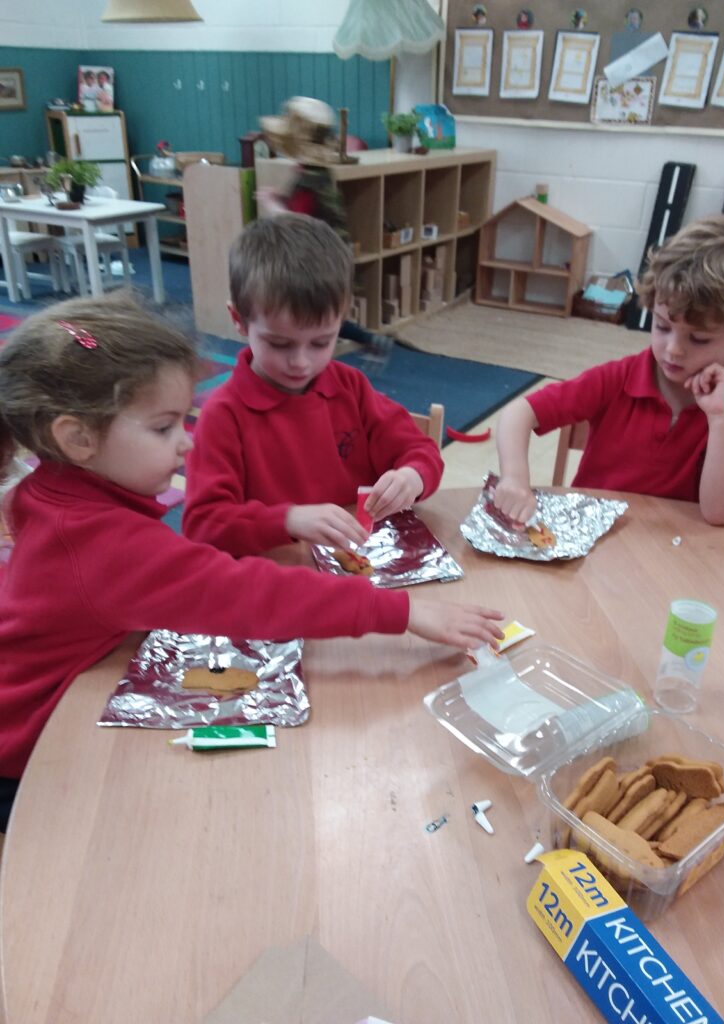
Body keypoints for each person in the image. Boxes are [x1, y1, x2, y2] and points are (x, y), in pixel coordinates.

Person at [0, 292, 503, 833]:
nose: (185, 445)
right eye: (164, 427)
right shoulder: (98, 541)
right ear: (76, 438)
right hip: (26, 749)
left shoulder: (48, 489)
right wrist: (404, 614)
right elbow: (249, 593)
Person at [182, 213, 445, 555]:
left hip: (358, 564)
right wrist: (288, 520)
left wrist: (413, 477)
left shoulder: (350, 387)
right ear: (239, 321)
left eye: (321, 342)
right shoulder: (224, 415)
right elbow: (203, 525)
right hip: (279, 579)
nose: (301, 362)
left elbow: (422, 452)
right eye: (279, 344)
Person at [493, 215, 724, 527]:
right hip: (591, 553)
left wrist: (720, 421)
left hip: (677, 559)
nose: (673, 349)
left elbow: (720, 514)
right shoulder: (617, 379)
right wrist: (514, 477)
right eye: (662, 326)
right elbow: (519, 412)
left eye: (698, 338)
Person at [256, 96, 393, 364]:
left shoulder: (310, 178)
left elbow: (299, 225)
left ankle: (366, 342)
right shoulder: (315, 172)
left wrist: (271, 205)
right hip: (325, 256)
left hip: (320, 261)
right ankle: (369, 341)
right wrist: (282, 200)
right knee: (319, 313)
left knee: (314, 314)